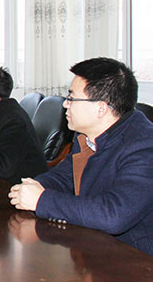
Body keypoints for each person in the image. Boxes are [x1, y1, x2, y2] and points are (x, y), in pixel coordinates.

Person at [9, 57, 153, 256]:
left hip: (135, 260)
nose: (65, 104)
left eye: (72, 98)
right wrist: (32, 187)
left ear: (101, 108)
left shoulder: (144, 146)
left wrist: (42, 200)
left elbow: (115, 215)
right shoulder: (86, 136)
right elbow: (64, 177)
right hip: (93, 247)